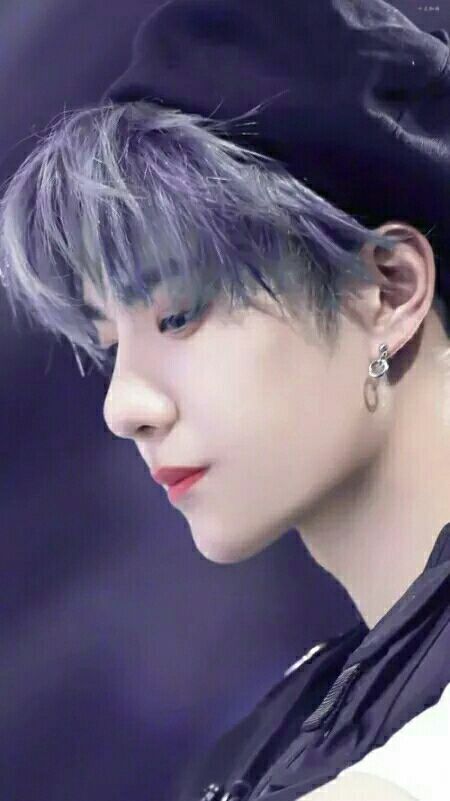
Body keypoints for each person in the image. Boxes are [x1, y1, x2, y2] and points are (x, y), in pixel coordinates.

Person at [0, 1, 449, 799]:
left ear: (389, 289)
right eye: (108, 343)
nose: (123, 405)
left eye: (179, 314)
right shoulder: (279, 732)